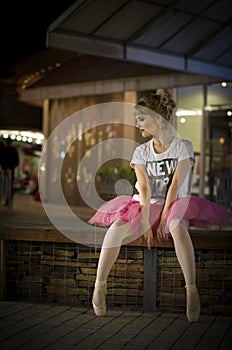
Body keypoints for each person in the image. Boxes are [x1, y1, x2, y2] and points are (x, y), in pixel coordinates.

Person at [88, 91, 230, 322]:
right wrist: (144, 221)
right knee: (116, 226)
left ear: (158, 118)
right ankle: (99, 286)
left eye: (142, 119)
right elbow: (143, 190)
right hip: (143, 204)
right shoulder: (141, 152)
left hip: (174, 204)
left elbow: (175, 186)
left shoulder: (182, 147)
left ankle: (191, 291)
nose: (138, 125)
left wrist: (164, 217)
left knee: (176, 226)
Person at [1, 138, 19, 206]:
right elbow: (17, 162)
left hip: (8, 170)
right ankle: (8, 200)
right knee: (8, 185)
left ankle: (7, 200)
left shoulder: (8, 151)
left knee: (8, 185)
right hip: (9, 170)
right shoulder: (13, 151)